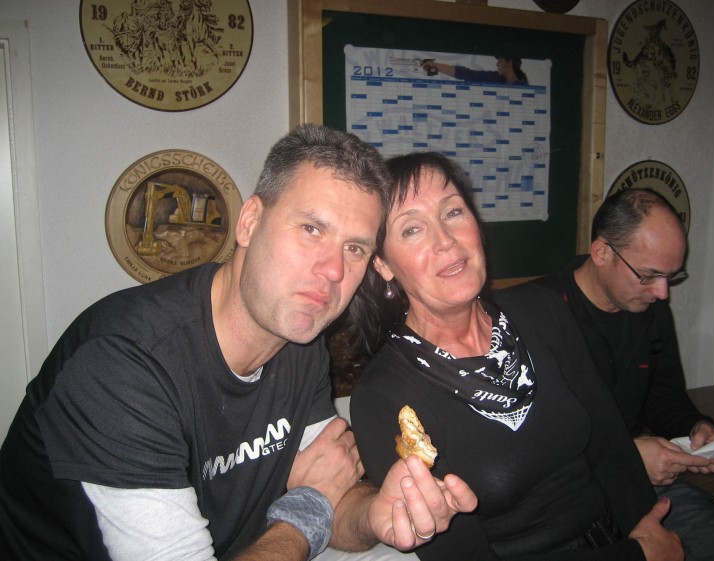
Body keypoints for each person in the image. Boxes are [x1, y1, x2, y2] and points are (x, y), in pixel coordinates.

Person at [0, 125, 477, 561]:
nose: (334, 270)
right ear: (249, 221)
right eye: (311, 229)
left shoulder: (298, 343)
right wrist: (306, 509)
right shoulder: (123, 362)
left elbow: (334, 493)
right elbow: (316, 502)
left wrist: (375, 513)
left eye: (355, 248)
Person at [346, 152, 684, 561]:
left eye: (453, 212)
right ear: (382, 264)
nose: (446, 240)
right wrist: (637, 556)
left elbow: (609, 443)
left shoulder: (543, 310)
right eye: (412, 229)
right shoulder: (383, 397)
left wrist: (648, 528)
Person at [519, 188, 714, 560]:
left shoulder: (650, 308)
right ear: (602, 253)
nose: (662, 293)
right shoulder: (533, 316)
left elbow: (663, 394)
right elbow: (527, 444)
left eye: (671, 276)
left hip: (637, 483)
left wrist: (695, 426)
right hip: (564, 496)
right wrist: (625, 456)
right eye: (649, 275)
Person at [420, 55, 528, 85]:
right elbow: (468, 75)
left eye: (500, 60)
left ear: (510, 62)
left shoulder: (524, 88)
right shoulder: (495, 78)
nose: (497, 64)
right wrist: (436, 66)